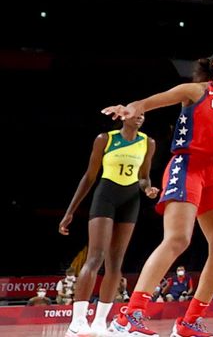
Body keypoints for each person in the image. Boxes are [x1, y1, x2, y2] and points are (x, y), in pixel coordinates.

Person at [104, 47, 213, 336]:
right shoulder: (195, 91)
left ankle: (189, 322)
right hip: (188, 165)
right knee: (178, 239)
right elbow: (148, 102)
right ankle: (129, 315)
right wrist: (130, 108)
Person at [60, 111, 159, 337]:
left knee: (116, 262)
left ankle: (100, 322)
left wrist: (147, 189)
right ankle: (77, 322)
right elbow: (89, 176)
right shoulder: (106, 139)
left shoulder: (148, 142)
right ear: (123, 116)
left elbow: (144, 176)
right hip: (106, 196)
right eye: (135, 113)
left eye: (143, 114)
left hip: (131, 200)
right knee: (95, 257)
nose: (140, 117)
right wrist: (70, 211)